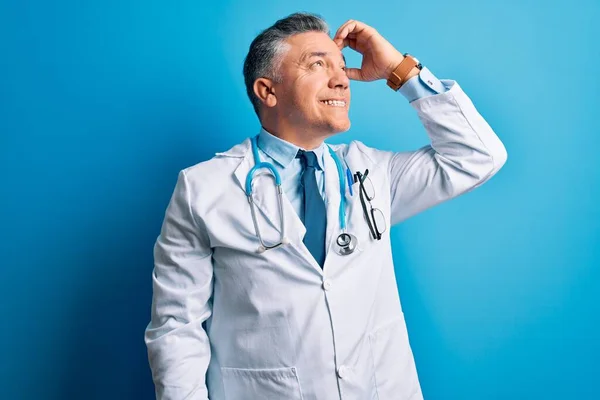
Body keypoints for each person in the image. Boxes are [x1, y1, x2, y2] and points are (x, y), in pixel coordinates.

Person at [144, 12, 507, 400]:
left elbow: (478, 156)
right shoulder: (204, 188)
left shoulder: (371, 172)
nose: (340, 80)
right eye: (317, 64)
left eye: (341, 66)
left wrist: (399, 71)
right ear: (268, 91)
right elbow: (176, 327)